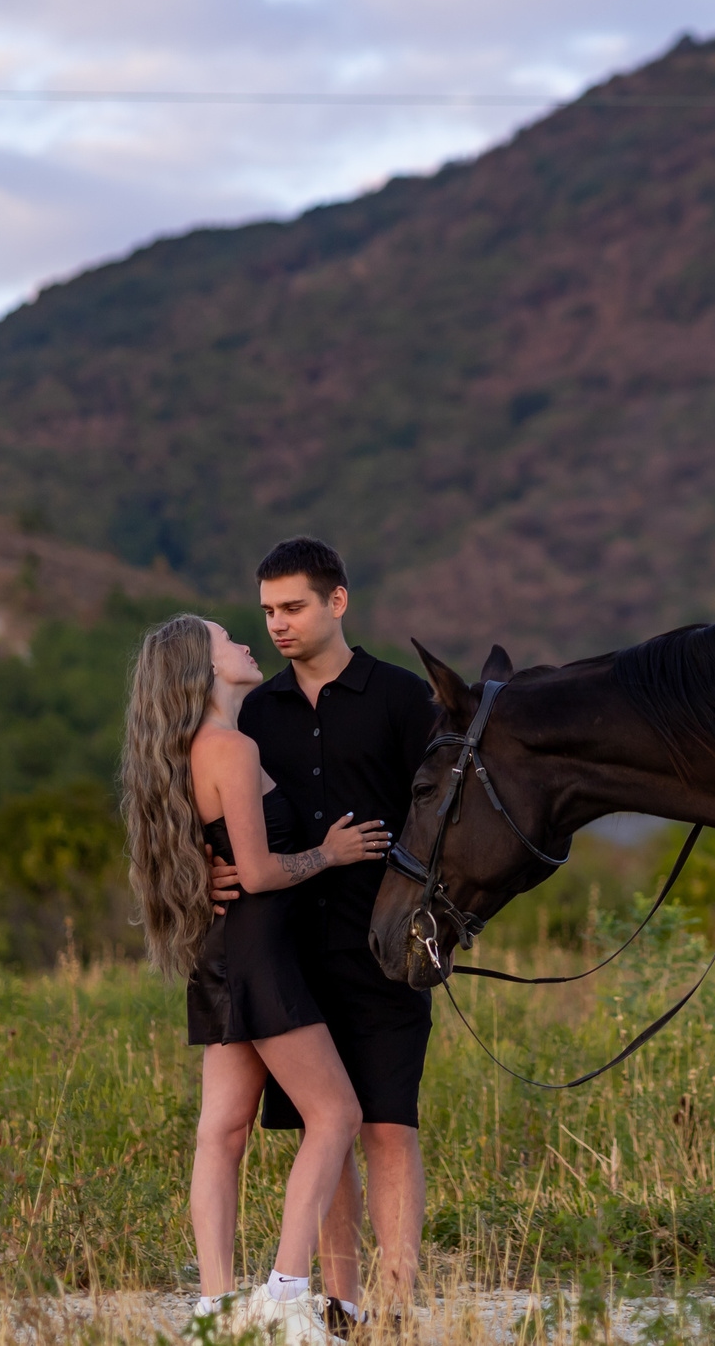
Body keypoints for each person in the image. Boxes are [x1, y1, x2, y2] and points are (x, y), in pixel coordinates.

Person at [119, 613, 393, 1341]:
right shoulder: (232, 748)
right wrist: (331, 854)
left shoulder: (179, 751)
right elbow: (265, 870)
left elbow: (213, 857)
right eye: (225, 640)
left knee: (222, 1130)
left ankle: (214, 1303)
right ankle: (285, 1285)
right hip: (262, 953)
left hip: (219, 950)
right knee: (336, 1114)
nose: (245, 642)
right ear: (200, 669)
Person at [212, 537, 437, 1329]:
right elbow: (212, 806)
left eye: (293, 606)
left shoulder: (403, 699)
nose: (276, 622)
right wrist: (203, 872)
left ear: (337, 601)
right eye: (267, 609)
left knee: (387, 1125)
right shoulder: (255, 709)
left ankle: (400, 1304)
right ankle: (341, 1305)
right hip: (288, 953)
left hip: (386, 947)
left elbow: (445, 814)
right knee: (325, 1127)